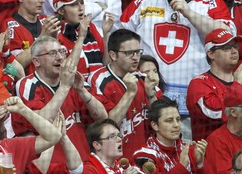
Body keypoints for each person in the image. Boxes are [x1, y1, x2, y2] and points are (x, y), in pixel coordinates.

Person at [118, 0, 230, 119]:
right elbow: (121, 34)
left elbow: (227, 35)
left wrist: (188, 13)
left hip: (193, 100)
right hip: (148, 97)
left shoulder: (210, 2)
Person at [15, 34, 108, 163]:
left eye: (62, 52)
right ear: (36, 61)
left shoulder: (74, 81)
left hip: (83, 163)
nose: (59, 57)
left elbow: (103, 118)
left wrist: (81, 90)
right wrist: (64, 87)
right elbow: (42, 123)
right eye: (52, 53)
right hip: (51, 167)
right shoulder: (28, 84)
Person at [187, 28, 242, 142]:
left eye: (235, 46)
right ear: (211, 54)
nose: (234, 51)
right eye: (226, 48)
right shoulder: (199, 83)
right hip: (216, 154)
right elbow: (213, 113)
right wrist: (237, 87)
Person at [89, 29, 158, 160]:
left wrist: (151, 94)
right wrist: (130, 93)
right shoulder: (98, 80)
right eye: (129, 53)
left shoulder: (143, 78)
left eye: (138, 52)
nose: (136, 57)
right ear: (113, 55)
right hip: (115, 161)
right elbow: (108, 124)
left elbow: (160, 120)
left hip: (144, 157)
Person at [133, 97, 207, 173]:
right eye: (169, 120)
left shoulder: (189, 149)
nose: (176, 125)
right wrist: (181, 167)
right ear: (155, 125)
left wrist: (199, 164)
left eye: (178, 119)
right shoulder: (144, 156)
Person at [0, 0, 52, 67]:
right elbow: (16, 65)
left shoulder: (47, 21)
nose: (42, 0)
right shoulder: (10, 26)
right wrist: (42, 38)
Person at [52, 0, 106, 77]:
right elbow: (66, 72)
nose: (81, 8)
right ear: (61, 11)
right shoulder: (56, 33)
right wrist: (81, 37)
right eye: (74, 4)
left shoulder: (90, 27)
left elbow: (106, 63)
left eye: (82, 3)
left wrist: (106, 33)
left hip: (97, 85)